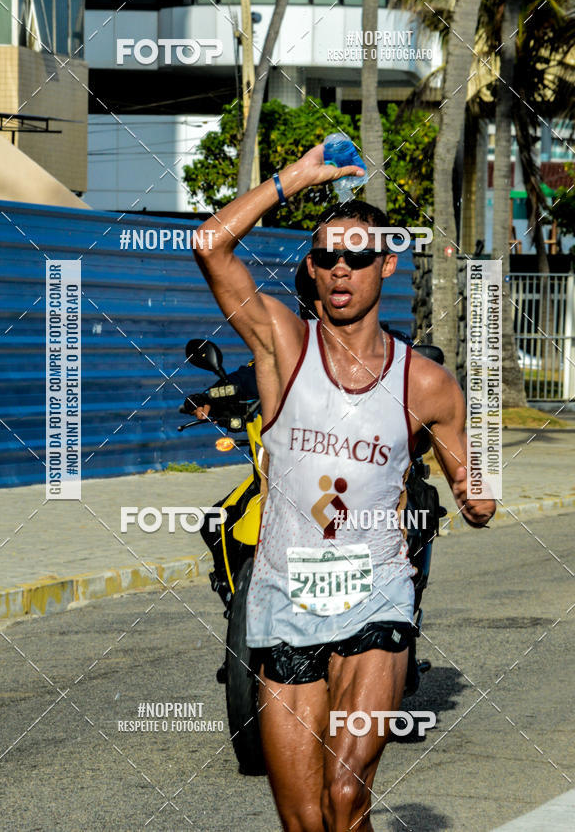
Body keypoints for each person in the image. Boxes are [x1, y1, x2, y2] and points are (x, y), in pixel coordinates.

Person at [194, 144, 495, 832]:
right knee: (305, 822)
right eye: (327, 255)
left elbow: (475, 490)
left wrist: (479, 493)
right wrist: (295, 179)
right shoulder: (282, 346)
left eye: (358, 257)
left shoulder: (426, 383)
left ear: (385, 265)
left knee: (347, 797)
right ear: (311, 264)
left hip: (375, 597)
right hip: (284, 596)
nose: (340, 270)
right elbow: (210, 245)